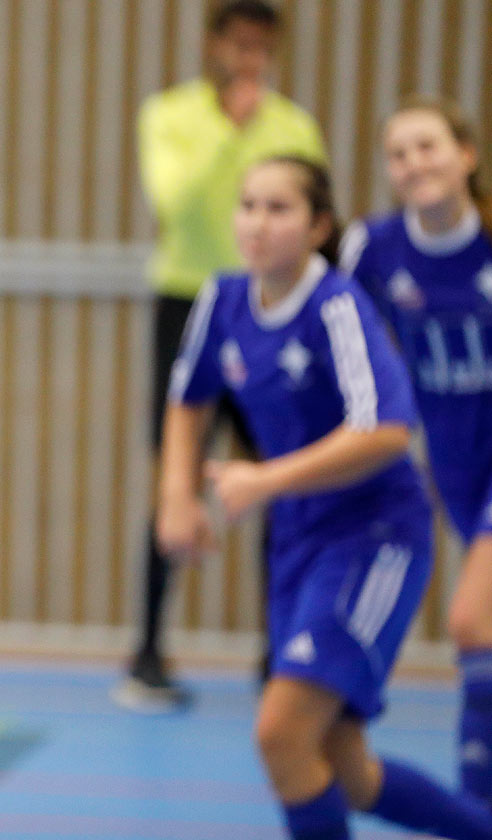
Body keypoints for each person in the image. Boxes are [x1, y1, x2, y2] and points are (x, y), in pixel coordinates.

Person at [160, 154, 492, 839]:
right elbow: (187, 403)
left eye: (278, 208)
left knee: (281, 733)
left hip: (376, 536)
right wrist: (176, 496)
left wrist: (265, 480)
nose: (257, 222)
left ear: (318, 227)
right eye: (248, 204)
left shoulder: (335, 304)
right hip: (299, 542)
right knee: (347, 769)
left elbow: (388, 430)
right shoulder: (221, 300)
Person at [119, 0, 330, 712]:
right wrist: (231, 134)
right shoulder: (171, 116)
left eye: (261, 46)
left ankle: (284, 655)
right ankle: (147, 651)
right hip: (187, 302)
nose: (249, 58)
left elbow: (317, 228)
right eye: (237, 43)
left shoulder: (295, 125)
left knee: (282, 478)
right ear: (213, 44)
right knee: (173, 474)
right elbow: (174, 202)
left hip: (270, 310)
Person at [339, 97, 492, 806]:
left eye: (428, 146)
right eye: (398, 154)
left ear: (467, 154)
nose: (413, 164)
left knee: (472, 620)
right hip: (455, 465)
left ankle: (475, 807)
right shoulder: (373, 251)